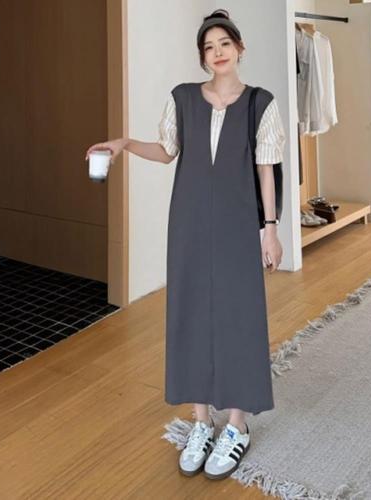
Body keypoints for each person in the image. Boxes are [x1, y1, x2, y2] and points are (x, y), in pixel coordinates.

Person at [85, 8, 285, 481]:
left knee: (239, 315)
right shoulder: (182, 99)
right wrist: (123, 143)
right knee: (190, 313)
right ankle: (201, 422)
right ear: (202, 57)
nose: (217, 53)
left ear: (239, 48)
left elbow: (266, 169)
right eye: (208, 47)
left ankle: (236, 425)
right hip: (189, 223)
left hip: (238, 224)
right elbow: (166, 151)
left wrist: (271, 229)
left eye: (224, 44)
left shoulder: (261, 103)